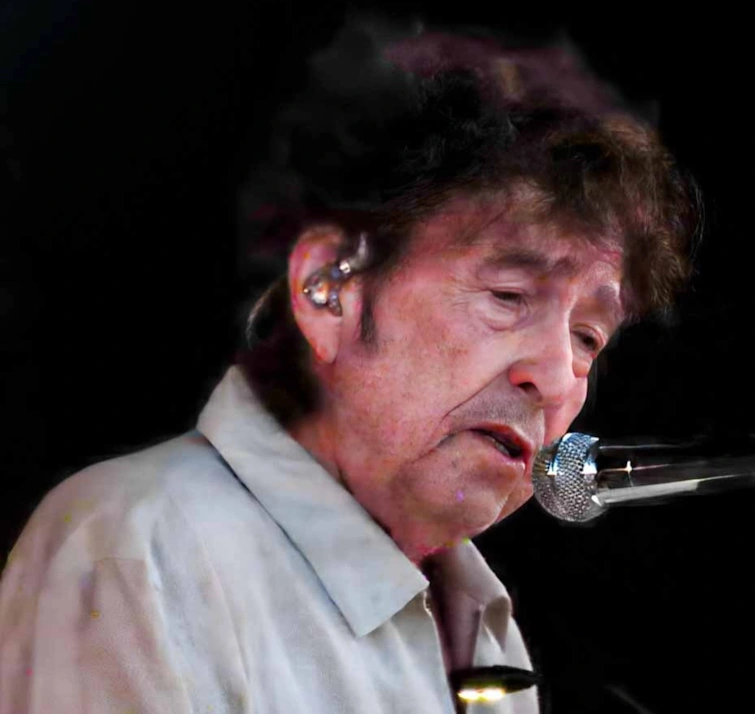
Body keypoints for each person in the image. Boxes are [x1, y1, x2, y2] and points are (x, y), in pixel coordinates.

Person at [0, 20, 700, 714]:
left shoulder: (489, 633)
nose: (554, 377)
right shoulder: (139, 550)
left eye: (587, 338)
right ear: (328, 289)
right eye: (509, 296)